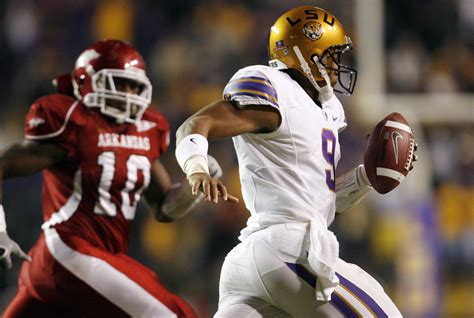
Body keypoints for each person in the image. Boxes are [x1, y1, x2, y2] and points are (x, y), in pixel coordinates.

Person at [175, 6, 417, 317]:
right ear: (306, 55)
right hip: (289, 251)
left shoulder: (324, 111)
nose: (337, 66)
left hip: (251, 264)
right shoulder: (276, 88)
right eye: (331, 56)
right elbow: (192, 126)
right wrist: (196, 167)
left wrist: (365, 177)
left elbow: (319, 202)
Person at [0, 39, 223, 317]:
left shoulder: (147, 129)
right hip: (69, 250)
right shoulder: (73, 121)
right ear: (86, 82)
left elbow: (163, 206)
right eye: (119, 84)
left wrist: (195, 187)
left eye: (134, 86)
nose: (129, 94)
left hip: (92, 261)